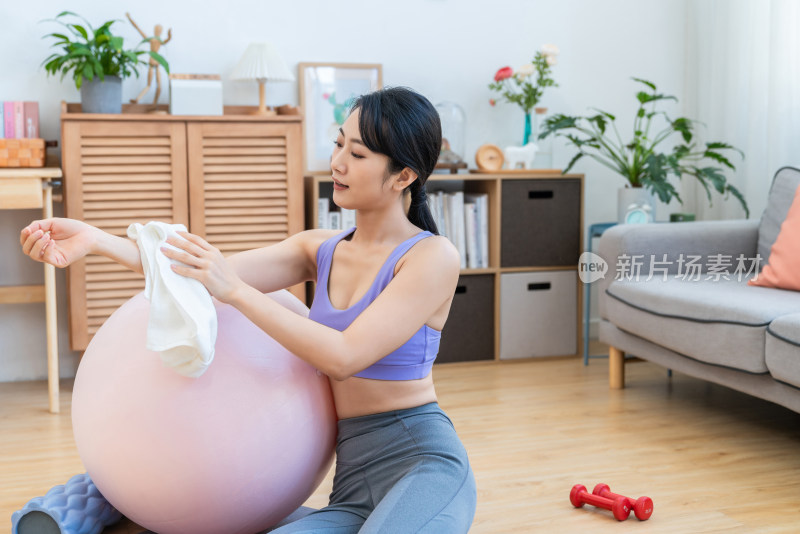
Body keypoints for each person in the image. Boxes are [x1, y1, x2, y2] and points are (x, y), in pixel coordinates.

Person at [19, 86, 477, 533]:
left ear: (404, 176)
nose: (337, 162)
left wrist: (235, 290)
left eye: (358, 155)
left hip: (421, 462)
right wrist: (97, 240)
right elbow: (192, 272)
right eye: (339, 144)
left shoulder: (432, 257)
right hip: (352, 479)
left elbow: (344, 355)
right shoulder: (319, 248)